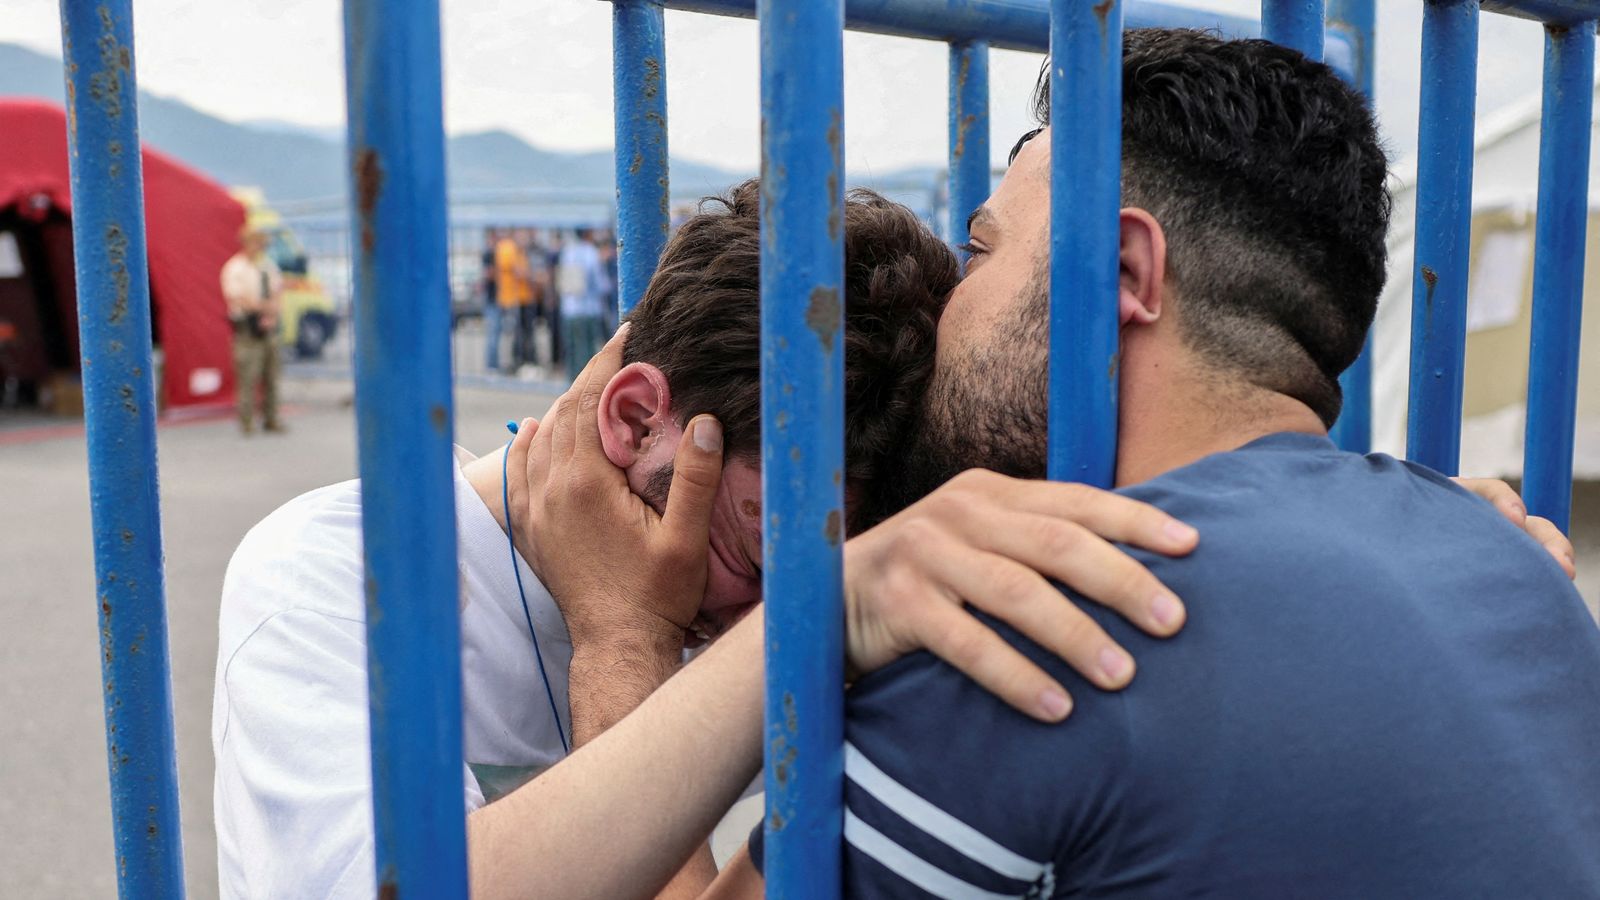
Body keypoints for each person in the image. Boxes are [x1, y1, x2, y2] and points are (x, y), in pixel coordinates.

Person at [484, 30, 1590, 900]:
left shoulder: (1040, 625)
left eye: (980, 251)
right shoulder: (1509, 568)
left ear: (1118, 272)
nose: (949, 305)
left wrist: (623, 642)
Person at [213, 183, 1203, 900]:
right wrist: (621, 638)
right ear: (635, 416)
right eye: (757, 566)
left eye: (812, 588)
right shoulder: (333, 581)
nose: (761, 628)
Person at [220, 225, 284, 434]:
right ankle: (246, 420)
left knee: (272, 375)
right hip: (247, 326)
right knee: (248, 375)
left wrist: (272, 314)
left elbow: (277, 290)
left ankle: (271, 417)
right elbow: (237, 297)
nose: (261, 248)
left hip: (269, 325)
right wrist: (263, 308)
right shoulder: (235, 268)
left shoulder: (267, 266)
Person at [557, 228, 609, 378]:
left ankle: (570, 382)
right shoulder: (591, 253)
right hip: (589, 309)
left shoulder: (567, 252)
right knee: (587, 350)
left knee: (571, 348)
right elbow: (601, 284)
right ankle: (585, 382)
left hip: (569, 309)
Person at [490, 227, 534, 373]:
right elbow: (519, 272)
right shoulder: (507, 248)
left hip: (521, 298)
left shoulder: (519, 250)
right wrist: (533, 276)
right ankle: (509, 364)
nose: (525, 238)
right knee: (512, 333)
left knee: (520, 333)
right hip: (511, 299)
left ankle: (519, 362)